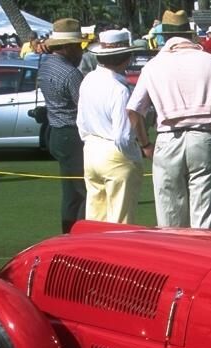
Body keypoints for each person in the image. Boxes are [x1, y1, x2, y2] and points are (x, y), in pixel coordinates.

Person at [127, 9, 211, 229]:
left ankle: (173, 262)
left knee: (169, 218)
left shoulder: (153, 66)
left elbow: (133, 110)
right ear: (188, 34)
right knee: (204, 218)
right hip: (203, 138)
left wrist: (145, 145)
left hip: (168, 139)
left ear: (164, 36)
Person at [76, 30, 142, 224]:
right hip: (114, 152)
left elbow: (81, 122)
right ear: (126, 58)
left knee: (95, 214)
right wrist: (133, 156)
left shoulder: (88, 80)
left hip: (91, 149)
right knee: (120, 218)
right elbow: (123, 135)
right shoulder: (120, 89)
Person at [40, 18, 87, 234]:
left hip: (57, 132)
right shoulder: (71, 73)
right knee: (82, 193)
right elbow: (85, 107)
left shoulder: (47, 64)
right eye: (77, 46)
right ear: (67, 47)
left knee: (71, 192)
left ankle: (68, 234)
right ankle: (77, 236)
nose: (80, 51)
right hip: (71, 134)